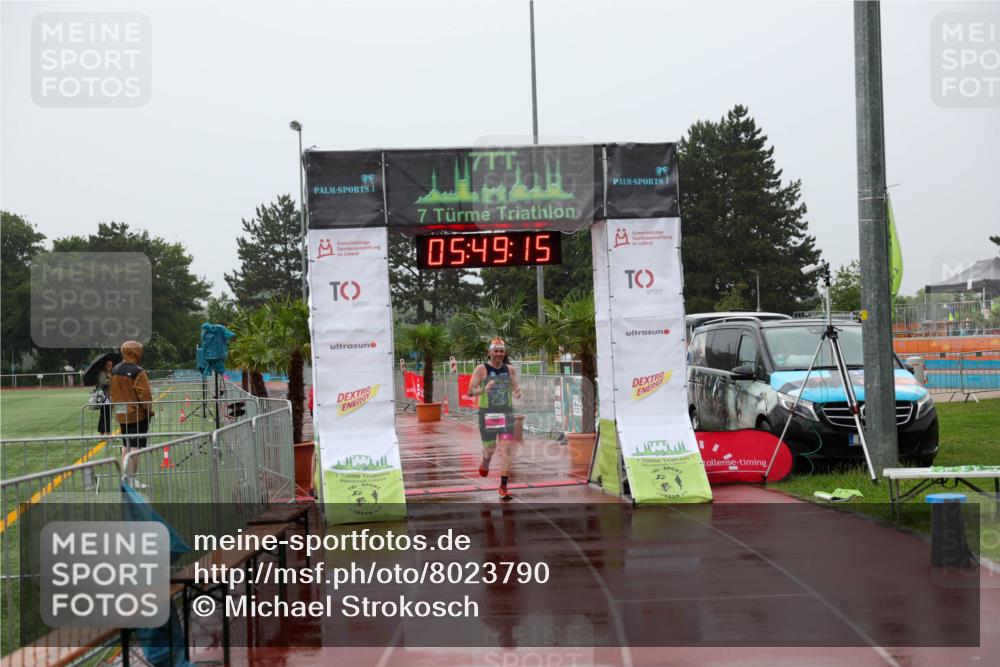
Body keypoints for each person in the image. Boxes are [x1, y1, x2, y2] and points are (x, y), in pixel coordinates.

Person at [467, 338, 522, 500]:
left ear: (504, 353)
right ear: (489, 352)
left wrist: (518, 392)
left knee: (506, 449)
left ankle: (503, 486)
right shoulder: (481, 370)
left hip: (506, 413)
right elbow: (470, 392)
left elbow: (515, 387)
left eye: (502, 351)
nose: (499, 354)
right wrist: (484, 389)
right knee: (490, 450)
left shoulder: (510, 370)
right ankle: (485, 461)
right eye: (496, 351)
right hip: (487, 414)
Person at [111, 340, 154, 488]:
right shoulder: (138, 371)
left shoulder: (115, 370)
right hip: (137, 414)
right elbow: (145, 394)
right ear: (136, 352)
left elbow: (113, 392)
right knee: (135, 448)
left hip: (121, 412)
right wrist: (149, 410)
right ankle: (131, 479)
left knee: (126, 445)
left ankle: (125, 477)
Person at [96, 359, 114, 435]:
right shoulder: (102, 373)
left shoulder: (112, 373)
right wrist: (111, 379)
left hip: (110, 396)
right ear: (105, 365)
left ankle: (108, 434)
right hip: (103, 397)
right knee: (103, 416)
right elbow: (103, 382)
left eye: (111, 364)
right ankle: (101, 434)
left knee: (109, 416)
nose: (110, 366)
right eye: (108, 364)